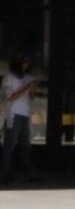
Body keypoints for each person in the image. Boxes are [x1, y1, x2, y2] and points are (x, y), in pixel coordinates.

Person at [1, 55, 40, 184]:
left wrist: (33, 89)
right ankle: (5, 173)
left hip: (25, 113)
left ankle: (30, 173)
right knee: (10, 144)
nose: (26, 66)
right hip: (13, 113)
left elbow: (32, 97)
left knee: (25, 145)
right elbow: (11, 97)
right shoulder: (9, 78)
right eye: (24, 63)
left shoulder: (29, 78)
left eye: (27, 64)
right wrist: (27, 87)